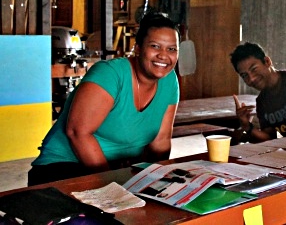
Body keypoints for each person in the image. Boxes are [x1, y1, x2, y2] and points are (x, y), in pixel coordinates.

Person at [28, 12, 180, 186]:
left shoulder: (169, 81)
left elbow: (160, 141)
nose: (163, 55)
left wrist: (154, 180)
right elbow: (78, 133)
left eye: (171, 49)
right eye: (155, 46)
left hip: (117, 168)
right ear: (138, 48)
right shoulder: (110, 74)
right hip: (64, 167)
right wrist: (113, 184)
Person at [229, 42, 286, 143]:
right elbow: (269, 138)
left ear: (267, 61)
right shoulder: (262, 102)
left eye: (254, 69)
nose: (251, 79)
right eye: (244, 75)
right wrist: (247, 126)